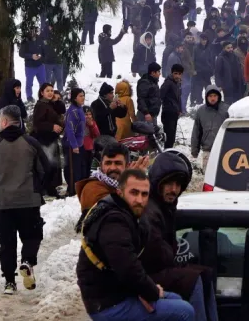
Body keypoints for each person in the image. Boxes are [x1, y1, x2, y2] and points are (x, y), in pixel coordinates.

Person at [77, 170, 195, 320]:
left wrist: (144, 290)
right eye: (134, 193)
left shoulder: (127, 214)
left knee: (176, 299)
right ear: (120, 192)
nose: (139, 199)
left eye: (144, 194)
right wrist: (150, 291)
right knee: (185, 311)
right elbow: (127, 267)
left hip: (118, 292)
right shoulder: (114, 221)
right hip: (107, 304)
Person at [0, 105, 51, 294]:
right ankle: (27, 262)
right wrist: (36, 184)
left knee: (6, 242)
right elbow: (45, 169)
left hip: (2, 201)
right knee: (32, 236)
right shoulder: (31, 143)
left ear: (4, 122)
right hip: (28, 200)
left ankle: (9, 282)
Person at [142, 154, 217, 321]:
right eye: (169, 183)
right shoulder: (150, 210)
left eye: (177, 185)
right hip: (147, 277)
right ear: (158, 183)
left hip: (159, 270)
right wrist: (173, 255)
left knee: (204, 274)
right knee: (193, 280)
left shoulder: (165, 207)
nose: (174, 189)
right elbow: (156, 254)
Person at [31, 83, 65, 198]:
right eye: (47, 91)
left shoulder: (50, 104)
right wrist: (52, 127)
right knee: (46, 166)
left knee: (53, 167)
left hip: (51, 139)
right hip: (43, 140)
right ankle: (43, 190)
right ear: (42, 92)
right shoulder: (40, 105)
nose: (50, 93)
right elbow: (37, 124)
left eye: (52, 90)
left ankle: (50, 189)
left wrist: (57, 100)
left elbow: (61, 109)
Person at [191, 87, 230, 172]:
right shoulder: (201, 111)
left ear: (219, 96)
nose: (213, 98)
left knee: (223, 175)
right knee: (208, 176)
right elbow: (196, 131)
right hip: (208, 150)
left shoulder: (226, 110)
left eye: (215, 96)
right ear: (206, 97)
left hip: (224, 151)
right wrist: (195, 150)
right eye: (210, 96)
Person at [64, 88, 88, 197]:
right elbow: (70, 129)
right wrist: (74, 145)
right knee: (73, 168)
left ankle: (79, 188)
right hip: (72, 144)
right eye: (80, 96)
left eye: (83, 95)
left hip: (80, 143)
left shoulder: (80, 109)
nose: (83, 98)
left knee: (81, 167)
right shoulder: (73, 111)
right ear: (74, 98)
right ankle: (72, 190)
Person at [161, 64, 184, 149]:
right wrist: (168, 104)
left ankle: (169, 153)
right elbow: (161, 95)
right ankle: (166, 154)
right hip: (168, 113)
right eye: (175, 73)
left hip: (174, 113)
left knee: (172, 137)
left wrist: (179, 109)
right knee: (169, 137)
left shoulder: (177, 83)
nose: (177, 76)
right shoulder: (168, 83)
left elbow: (178, 98)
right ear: (172, 73)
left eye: (179, 74)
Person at [214, 40, 244, 104]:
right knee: (228, 102)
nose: (230, 49)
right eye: (228, 48)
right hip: (227, 83)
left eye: (231, 47)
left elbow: (239, 68)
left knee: (238, 101)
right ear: (224, 48)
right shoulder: (221, 58)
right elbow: (217, 72)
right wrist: (219, 84)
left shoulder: (235, 56)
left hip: (236, 82)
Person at [19, 30, 46, 98]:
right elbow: (21, 54)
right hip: (29, 67)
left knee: (43, 83)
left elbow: (44, 51)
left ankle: (43, 97)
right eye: (31, 30)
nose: (33, 32)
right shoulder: (25, 41)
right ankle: (29, 97)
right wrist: (31, 56)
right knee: (29, 83)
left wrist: (40, 56)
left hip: (40, 66)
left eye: (34, 30)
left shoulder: (40, 39)